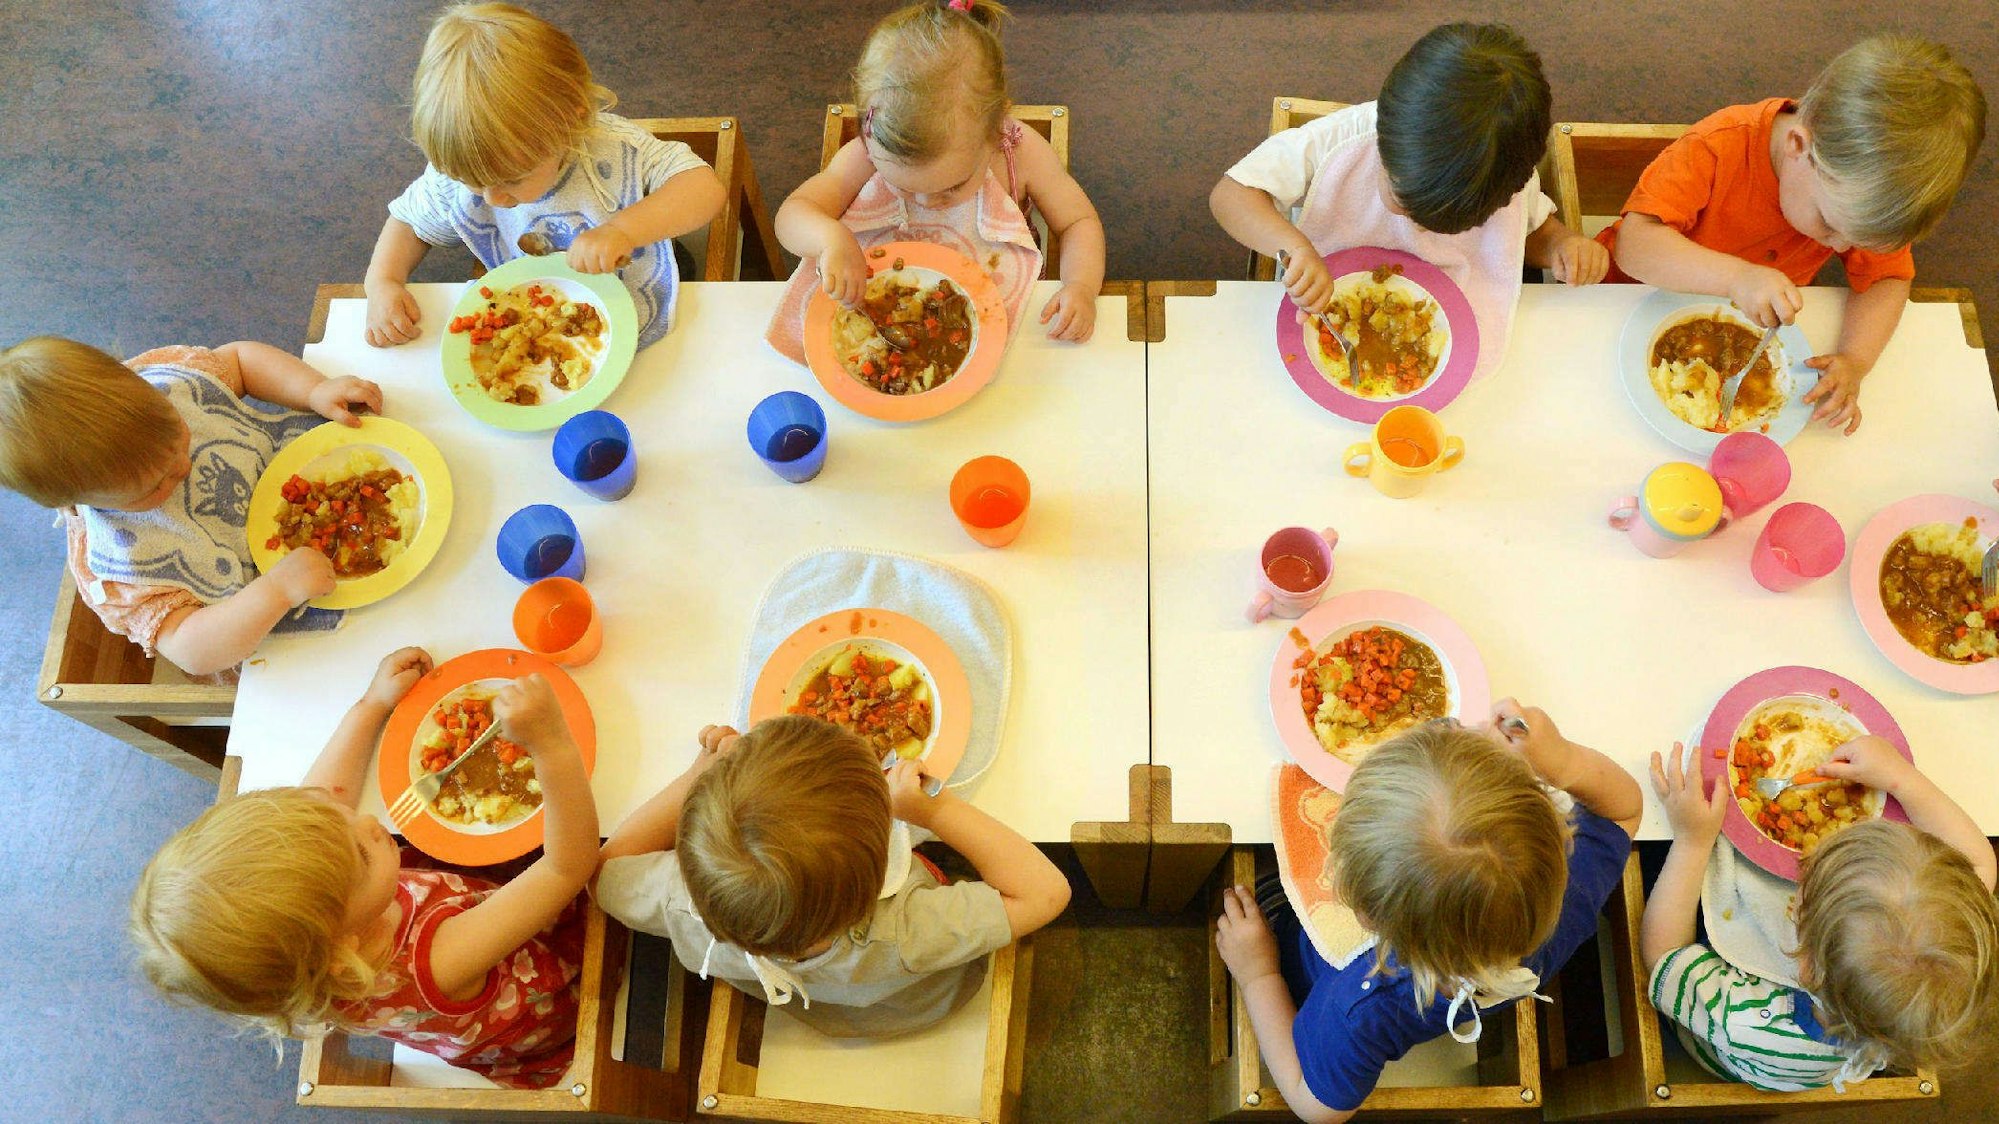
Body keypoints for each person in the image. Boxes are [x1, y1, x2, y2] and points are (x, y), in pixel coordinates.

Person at [130, 650, 601, 1087]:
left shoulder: (323, 946)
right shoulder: (437, 959)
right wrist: (551, 743)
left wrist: (371, 705)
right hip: (559, 983)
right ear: (343, 944)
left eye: (337, 825)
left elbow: (324, 799)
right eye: (360, 853)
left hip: (466, 905)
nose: (370, 823)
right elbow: (566, 868)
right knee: (617, 852)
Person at [1215, 704, 1642, 1122]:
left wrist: (1259, 976)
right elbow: (1623, 810)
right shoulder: (1565, 901)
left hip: (1299, 969)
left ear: (1361, 910)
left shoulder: (1361, 1008)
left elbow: (1316, 1106)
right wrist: (1558, 758)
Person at [1600, 36, 1985, 434]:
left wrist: (1855, 359)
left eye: (1857, 241)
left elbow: (1888, 278)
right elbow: (1635, 246)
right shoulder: (1718, 146)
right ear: (1798, 146)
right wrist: (1737, 277)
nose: (1837, 247)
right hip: (1620, 298)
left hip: (1739, 334)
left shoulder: (1865, 191)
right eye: (1829, 224)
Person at [594, 716, 1071, 1036]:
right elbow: (1045, 892)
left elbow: (606, 873)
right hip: (923, 1004)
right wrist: (938, 811)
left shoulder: (680, 900)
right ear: (883, 857)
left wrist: (706, 775)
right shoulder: (904, 932)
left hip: (826, 1014)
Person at [1211, 22, 1606, 383]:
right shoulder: (1343, 142)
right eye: (1403, 200)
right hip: (1318, 306)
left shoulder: (1504, 178)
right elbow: (1231, 195)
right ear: (1384, 139)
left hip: (1458, 334)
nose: (1419, 225)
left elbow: (1527, 233)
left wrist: (1561, 247)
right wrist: (1295, 249)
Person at [0, 336, 379, 674]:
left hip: (311, 476)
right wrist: (276, 591)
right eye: (156, 484)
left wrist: (313, 390)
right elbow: (191, 650)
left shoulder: (171, 383)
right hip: (276, 618)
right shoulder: (121, 569)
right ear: (72, 500)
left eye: (179, 437)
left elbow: (241, 362)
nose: (184, 466)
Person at [365, 1, 726, 350]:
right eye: (473, 183)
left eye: (513, 179)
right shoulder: (463, 175)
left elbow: (702, 187)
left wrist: (622, 231)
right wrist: (383, 282)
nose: (492, 199)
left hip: (641, 287)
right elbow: (409, 222)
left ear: (570, 123)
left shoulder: (615, 149)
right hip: (546, 315)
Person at [1644, 737, 1998, 1090]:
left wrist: (1692, 841)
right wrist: (1900, 779)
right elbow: (1978, 858)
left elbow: (1663, 955)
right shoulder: (1948, 940)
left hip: (1710, 1024)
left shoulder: (1751, 1019)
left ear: (1807, 965)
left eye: (1807, 884)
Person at [769, 0, 1105, 357]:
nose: (926, 201)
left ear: (994, 131)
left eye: (953, 187)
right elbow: (792, 214)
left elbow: (1078, 222)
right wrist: (829, 240)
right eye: (903, 187)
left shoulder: (1018, 153)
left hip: (1001, 311)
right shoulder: (866, 155)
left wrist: (1080, 286)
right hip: (881, 307)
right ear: (870, 132)